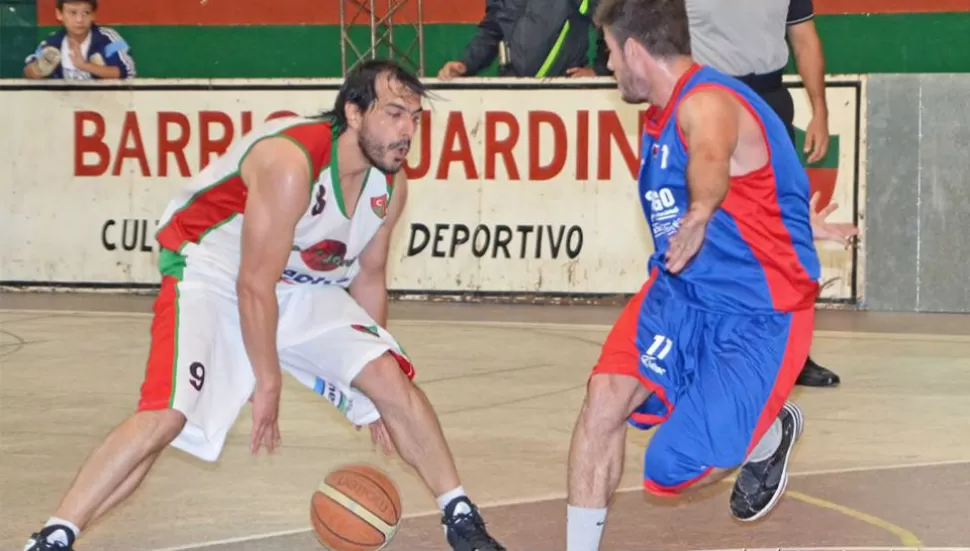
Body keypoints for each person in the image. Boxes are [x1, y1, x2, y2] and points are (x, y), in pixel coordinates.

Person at [23, 59, 505, 551]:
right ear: (354, 113)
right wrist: (267, 378)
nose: (407, 131)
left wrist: (363, 385)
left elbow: (370, 276)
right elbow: (254, 284)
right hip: (214, 269)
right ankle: (55, 535)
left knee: (388, 377)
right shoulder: (291, 164)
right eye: (395, 114)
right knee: (168, 416)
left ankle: (461, 516)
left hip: (299, 282)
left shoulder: (390, 186)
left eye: (416, 119)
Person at [563, 0, 857, 549]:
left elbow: (711, 155)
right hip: (680, 289)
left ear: (633, 50)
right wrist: (793, 221)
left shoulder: (706, 102)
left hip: (757, 311)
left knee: (671, 467)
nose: (606, 67)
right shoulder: (660, 110)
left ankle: (767, 432)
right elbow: (752, 184)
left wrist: (700, 212)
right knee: (604, 396)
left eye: (607, 53)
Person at [686, 0, 841, 388]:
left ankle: (792, 354)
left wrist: (819, 109)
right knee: (710, 228)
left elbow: (804, 40)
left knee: (781, 233)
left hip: (771, 101)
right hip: (710, 101)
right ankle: (699, 347)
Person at [24, 0, 136, 80]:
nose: (79, 20)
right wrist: (39, 69)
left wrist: (85, 66)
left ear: (93, 15)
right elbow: (29, 70)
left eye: (86, 13)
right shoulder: (52, 42)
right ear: (59, 14)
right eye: (73, 13)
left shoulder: (108, 38)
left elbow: (127, 71)